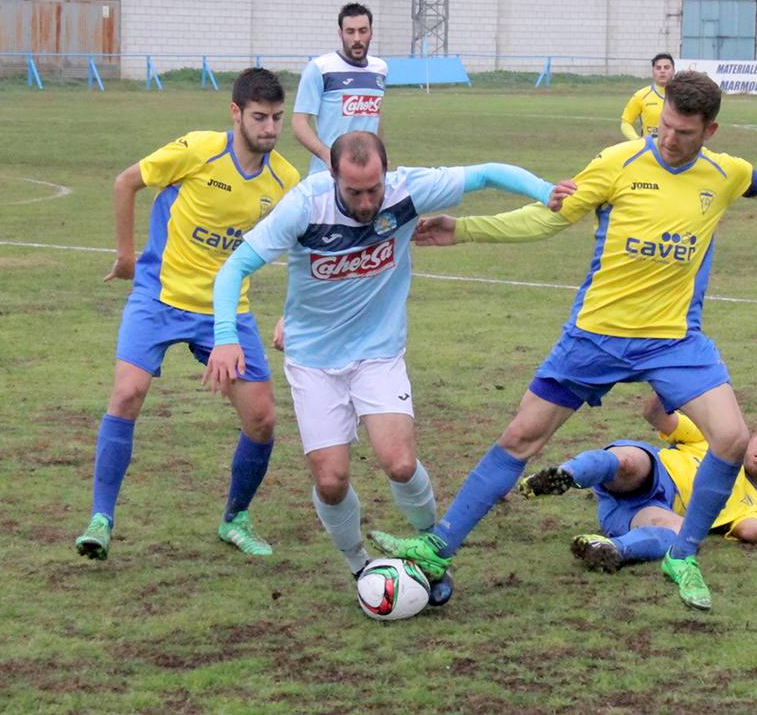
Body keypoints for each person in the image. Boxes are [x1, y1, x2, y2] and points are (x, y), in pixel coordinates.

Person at [368, 71, 757, 611]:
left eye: (684, 132)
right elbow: (546, 219)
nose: (669, 139)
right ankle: (439, 547)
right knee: (520, 439)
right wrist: (465, 230)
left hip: (672, 341)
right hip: (595, 334)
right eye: (664, 126)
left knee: (732, 438)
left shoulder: (724, 174)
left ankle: (683, 554)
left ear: (710, 130)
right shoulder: (616, 164)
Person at [204, 132, 573, 602]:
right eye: (354, 191)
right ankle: (361, 567)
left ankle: (431, 553)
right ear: (333, 176)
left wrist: (546, 192)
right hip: (314, 362)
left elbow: (487, 173)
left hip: (378, 353)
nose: (366, 201)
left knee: (400, 464)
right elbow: (233, 268)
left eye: (374, 189)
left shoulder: (407, 190)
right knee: (331, 481)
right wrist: (224, 339)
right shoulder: (304, 206)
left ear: (386, 174)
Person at [74, 68, 301, 562]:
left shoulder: (285, 179)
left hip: (227, 311)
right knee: (127, 392)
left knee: (261, 419)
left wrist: (294, 311)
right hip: (159, 297)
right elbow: (126, 182)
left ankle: (235, 518)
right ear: (236, 113)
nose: (270, 128)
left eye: (278, 118)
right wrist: (127, 255)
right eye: (260, 117)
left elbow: (301, 250)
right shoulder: (198, 151)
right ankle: (101, 519)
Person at [517, 398, 757, 573]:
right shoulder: (715, 439)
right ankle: (564, 475)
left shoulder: (754, 505)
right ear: (754, 433)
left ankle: (608, 549)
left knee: (684, 537)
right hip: (648, 475)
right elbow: (655, 415)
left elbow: (754, 533)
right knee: (628, 461)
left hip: (646, 514)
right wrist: (666, 378)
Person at [292, 2, 387, 175]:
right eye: (350, 31)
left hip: (368, 176)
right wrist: (328, 156)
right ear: (340, 33)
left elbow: (375, 118)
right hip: (328, 175)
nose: (357, 38)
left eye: (363, 31)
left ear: (371, 33)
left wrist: (381, 156)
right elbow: (299, 123)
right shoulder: (320, 68)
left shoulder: (380, 69)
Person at [619, 53, 674, 140]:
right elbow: (626, 123)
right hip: (650, 150)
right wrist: (637, 140)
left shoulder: (683, 96)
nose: (662, 71)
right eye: (658, 68)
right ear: (653, 71)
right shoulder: (641, 96)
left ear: (673, 70)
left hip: (676, 150)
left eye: (666, 67)